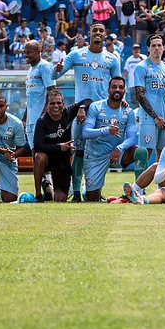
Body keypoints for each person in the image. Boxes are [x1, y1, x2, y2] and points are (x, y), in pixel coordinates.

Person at [52, 22, 121, 201]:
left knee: (101, 153)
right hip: (81, 111)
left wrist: (124, 101)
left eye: (101, 31)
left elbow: (118, 85)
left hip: (103, 113)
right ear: (89, 33)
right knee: (79, 152)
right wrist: (56, 69)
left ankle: (95, 189)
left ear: (105, 34)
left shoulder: (112, 59)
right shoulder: (76, 54)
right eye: (95, 30)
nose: (98, 33)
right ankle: (75, 192)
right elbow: (54, 76)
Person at [81, 76, 137, 201]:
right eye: (114, 87)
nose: (117, 90)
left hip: (117, 153)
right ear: (108, 89)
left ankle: (139, 192)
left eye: (121, 87)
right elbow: (85, 133)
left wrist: (119, 148)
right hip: (95, 155)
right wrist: (106, 130)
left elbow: (132, 138)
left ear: (124, 91)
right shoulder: (96, 107)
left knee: (140, 152)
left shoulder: (128, 112)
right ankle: (87, 189)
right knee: (92, 199)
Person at [33, 90, 91, 202]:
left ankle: (49, 187)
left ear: (63, 104)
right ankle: (38, 195)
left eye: (59, 103)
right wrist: (59, 147)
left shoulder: (68, 112)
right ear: (46, 106)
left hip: (62, 161)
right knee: (39, 157)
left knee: (60, 200)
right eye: (52, 103)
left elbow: (88, 101)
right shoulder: (42, 121)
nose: (56, 106)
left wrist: (82, 108)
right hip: (48, 159)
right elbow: (38, 146)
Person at [133, 34, 165, 185]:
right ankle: (138, 189)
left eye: (159, 45)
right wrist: (156, 117)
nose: (157, 48)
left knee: (164, 156)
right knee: (144, 152)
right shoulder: (141, 67)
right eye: (154, 45)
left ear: (164, 48)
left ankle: (163, 189)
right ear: (148, 48)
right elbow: (139, 95)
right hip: (149, 119)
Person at [24, 40, 57, 199]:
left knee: (43, 154)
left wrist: (44, 117)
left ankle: (51, 184)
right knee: (34, 154)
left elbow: (52, 91)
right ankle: (45, 187)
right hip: (31, 121)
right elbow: (30, 97)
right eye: (25, 52)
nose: (26, 55)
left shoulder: (44, 67)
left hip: (41, 122)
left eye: (29, 52)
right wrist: (25, 117)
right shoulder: (30, 70)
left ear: (39, 51)